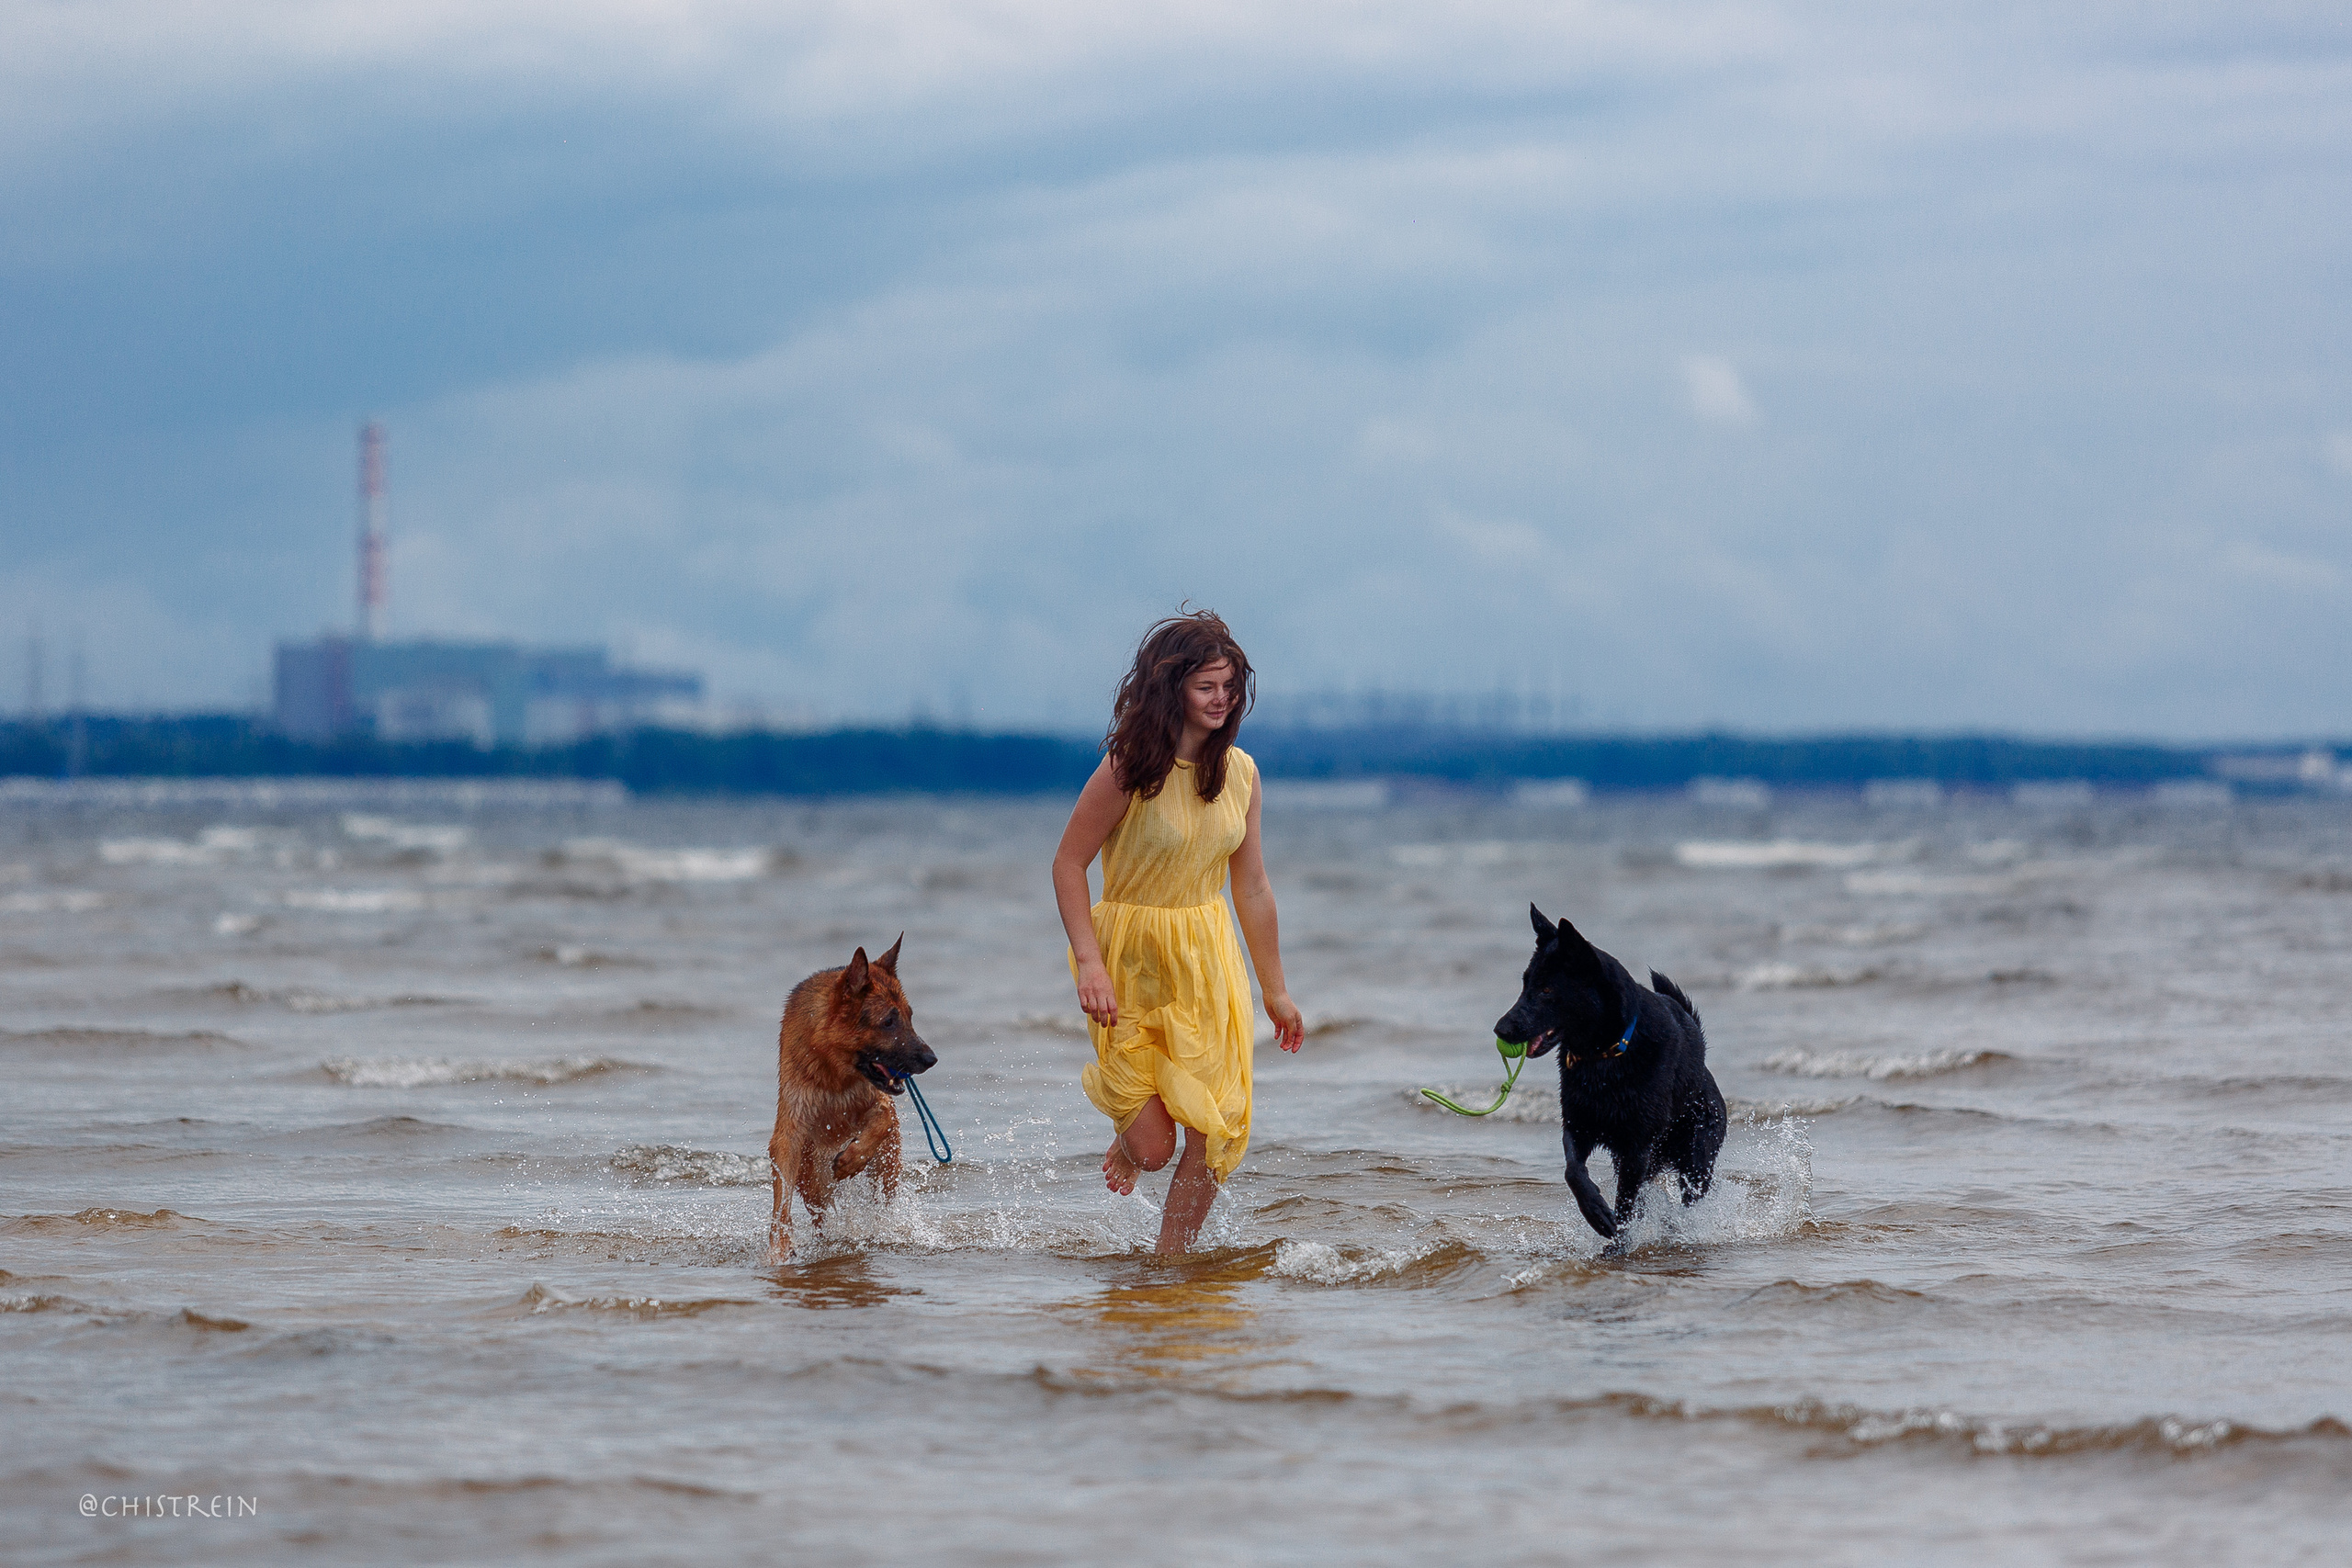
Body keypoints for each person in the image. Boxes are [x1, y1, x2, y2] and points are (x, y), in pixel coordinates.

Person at [1052, 609, 1306, 1253]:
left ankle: (1171, 1267)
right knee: (1154, 1147)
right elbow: (1068, 864)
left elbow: (1252, 887)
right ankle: (1131, 1142)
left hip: (1207, 956)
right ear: (1172, 689)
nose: (1222, 699)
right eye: (1206, 686)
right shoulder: (1129, 767)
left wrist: (1276, 991)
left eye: (1230, 686)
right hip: (1130, 957)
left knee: (1214, 1127)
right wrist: (1089, 962)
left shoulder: (1241, 775)